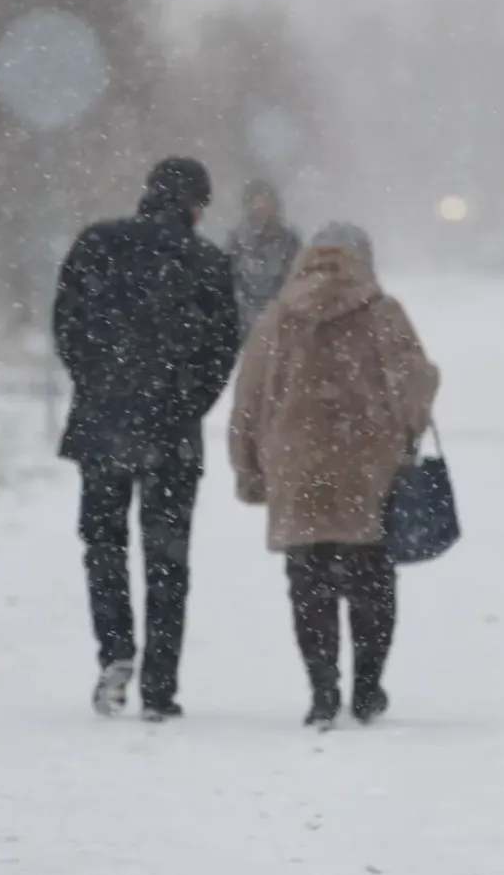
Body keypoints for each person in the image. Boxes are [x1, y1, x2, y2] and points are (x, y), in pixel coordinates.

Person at [227, 222, 439, 729]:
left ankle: (323, 690)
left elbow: (248, 402)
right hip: (369, 468)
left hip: (297, 468)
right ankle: (367, 689)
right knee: (372, 582)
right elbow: (415, 385)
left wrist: (249, 469)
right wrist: (406, 433)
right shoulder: (382, 313)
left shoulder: (278, 318)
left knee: (308, 582)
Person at [53, 156, 240, 721]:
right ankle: (160, 684)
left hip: (103, 426)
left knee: (104, 545)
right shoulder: (206, 262)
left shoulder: (96, 244)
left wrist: (98, 385)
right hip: (172, 434)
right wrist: (186, 404)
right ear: (196, 205)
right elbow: (222, 351)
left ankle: (115, 653)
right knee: (167, 558)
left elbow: (67, 328)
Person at [224, 178, 303, 342]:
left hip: (280, 325)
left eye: (266, 201)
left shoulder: (289, 241)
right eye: (256, 201)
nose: (261, 207)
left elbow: (296, 281)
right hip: (242, 325)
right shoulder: (236, 241)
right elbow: (228, 281)